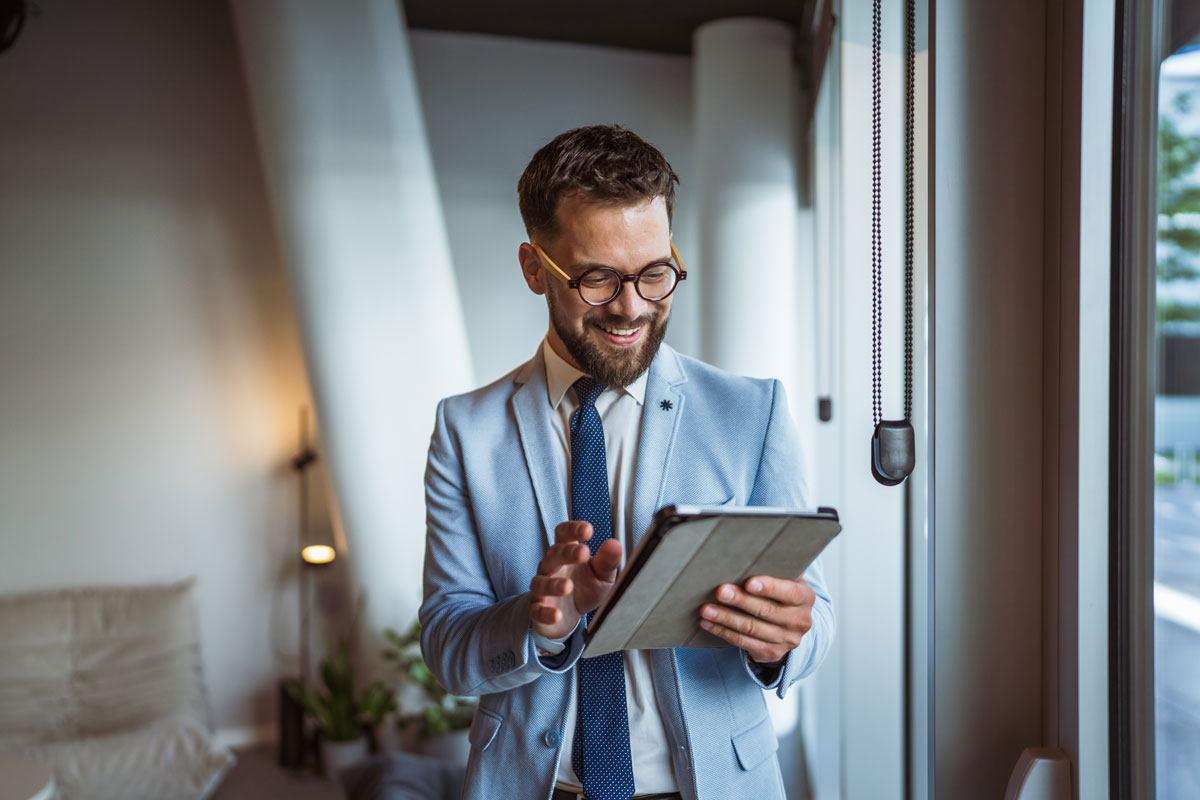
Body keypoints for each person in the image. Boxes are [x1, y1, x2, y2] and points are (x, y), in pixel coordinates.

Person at [420, 125, 834, 800]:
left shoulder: (752, 412)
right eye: (597, 279)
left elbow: (818, 615)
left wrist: (783, 639)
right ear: (534, 268)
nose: (632, 307)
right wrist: (536, 622)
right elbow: (447, 646)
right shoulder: (464, 431)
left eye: (655, 272)